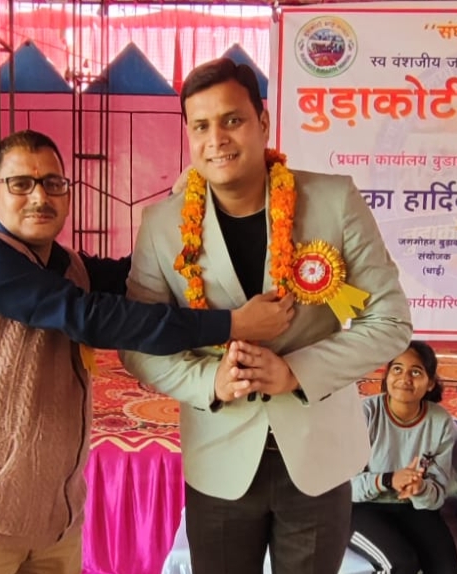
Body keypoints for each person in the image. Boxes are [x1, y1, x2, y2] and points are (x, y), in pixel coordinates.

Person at [0, 129, 297, 574]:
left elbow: (140, 279)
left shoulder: (67, 265)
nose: (40, 197)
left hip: (54, 524)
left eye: (53, 183)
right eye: (21, 184)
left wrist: (184, 210)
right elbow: (91, 317)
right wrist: (233, 324)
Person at [119, 58, 412, 574]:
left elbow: (390, 321)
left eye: (231, 120)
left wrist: (296, 372)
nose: (216, 140)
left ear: (263, 122)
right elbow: (139, 341)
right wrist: (210, 380)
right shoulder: (162, 225)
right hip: (219, 458)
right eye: (200, 126)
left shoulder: (333, 201)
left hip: (316, 458)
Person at [349, 341, 457, 573]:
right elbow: (344, 488)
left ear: (430, 383)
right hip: (360, 508)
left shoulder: (441, 422)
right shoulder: (365, 413)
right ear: (387, 376)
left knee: (447, 568)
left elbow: (437, 495)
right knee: (401, 564)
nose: (405, 378)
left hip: (413, 508)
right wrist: (388, 480)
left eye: (416, 372)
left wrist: (420, 488)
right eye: (397, 369)